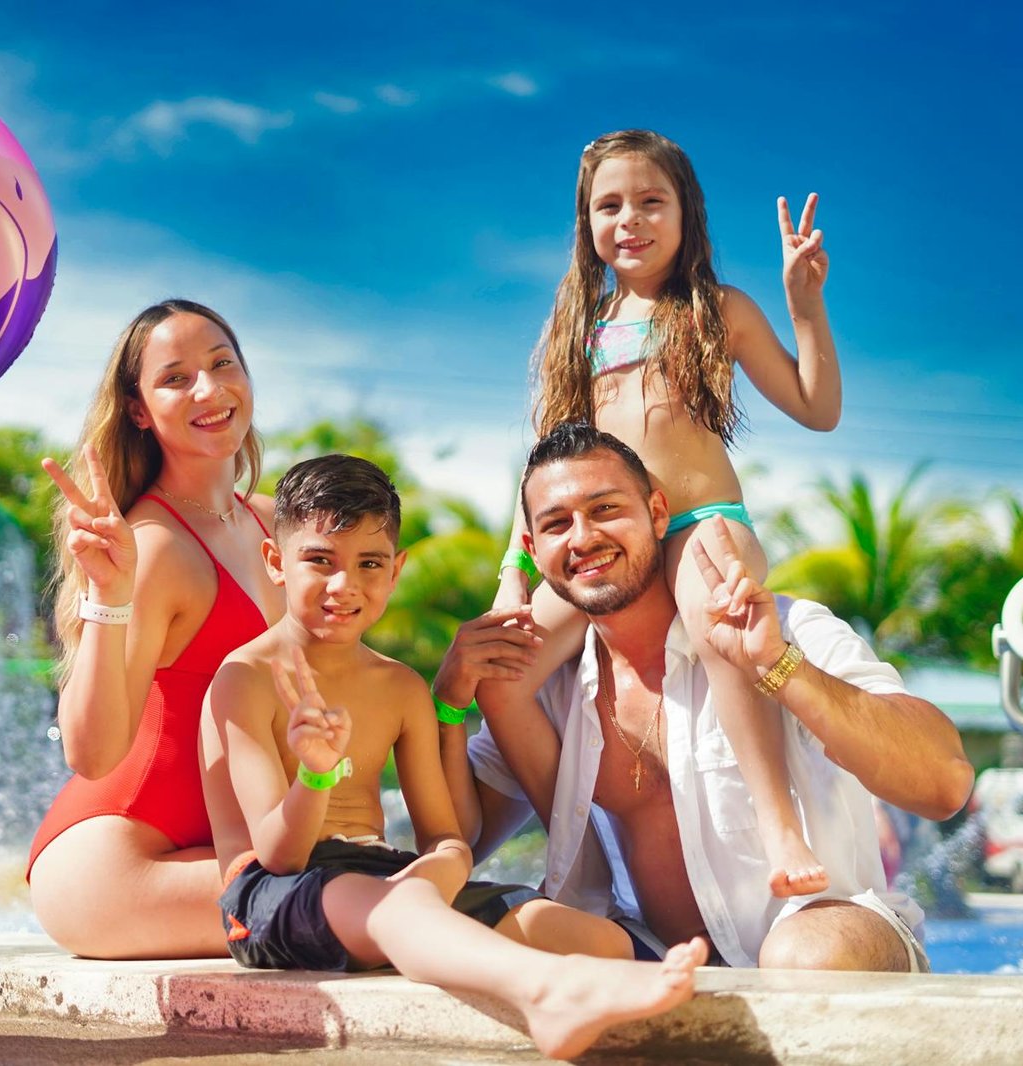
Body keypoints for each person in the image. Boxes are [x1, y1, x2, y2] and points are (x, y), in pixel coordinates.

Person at [198, 454, 708, 1060]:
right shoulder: (246, 679)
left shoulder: (400, 689)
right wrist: (315, 771)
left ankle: (658, 990)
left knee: (576, 932)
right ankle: (546, 996)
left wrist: (441, 869)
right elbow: (280, 855)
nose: (345, 585)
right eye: (319, 561)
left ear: (396, 570)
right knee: (394, 904)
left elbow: (447, 836)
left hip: (387, 878)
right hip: (270, 895)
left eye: (369, 564)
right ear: (276, 563)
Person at [442, 423, 973, 970]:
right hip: (652, 951)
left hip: (822, 928)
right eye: (558, 524)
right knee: (484, 929)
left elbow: (945, 783)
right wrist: (449, 704)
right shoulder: (551, 689)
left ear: (658, 512)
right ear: (533, 548)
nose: (583, 538)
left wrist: (779, 668)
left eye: (605, 510)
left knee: (805, 956)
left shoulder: (780, 628)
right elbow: (459, 841)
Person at [481, 129, 845, 897]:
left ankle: (779, 825)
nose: (631, 220)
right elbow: (548, 473)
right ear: (587, 224)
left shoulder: (718, 310)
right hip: (607, 541)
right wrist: (515, 572)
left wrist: (805, 307)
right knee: (501, 672)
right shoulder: (579, 335)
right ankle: (573, 855)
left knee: (716, 618)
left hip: (698, 523)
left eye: (652, 201)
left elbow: (818, 408)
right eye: (610, 205)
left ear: (687, 215)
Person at [28, 299, 282, 959]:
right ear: (139, 409)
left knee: (394, 882)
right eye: (175, 377)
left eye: (223, 363)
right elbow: (91, 755)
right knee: (355, 900)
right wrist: (108, 596)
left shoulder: (275, 521)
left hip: (230, 844)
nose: (209, 388)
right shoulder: (156, 547)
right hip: (116, 867)